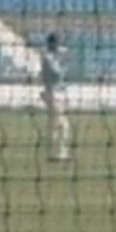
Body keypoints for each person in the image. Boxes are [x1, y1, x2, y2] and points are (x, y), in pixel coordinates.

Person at [41, 32, 71, 162]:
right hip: (53, 92)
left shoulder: (54, 56)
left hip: (60, 92)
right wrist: (64, 60)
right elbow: (57, 73)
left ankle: (54, 152)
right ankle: (60, 153)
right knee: (62, 124)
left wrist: (64, 58)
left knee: (54, 123)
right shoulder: (47, 57)